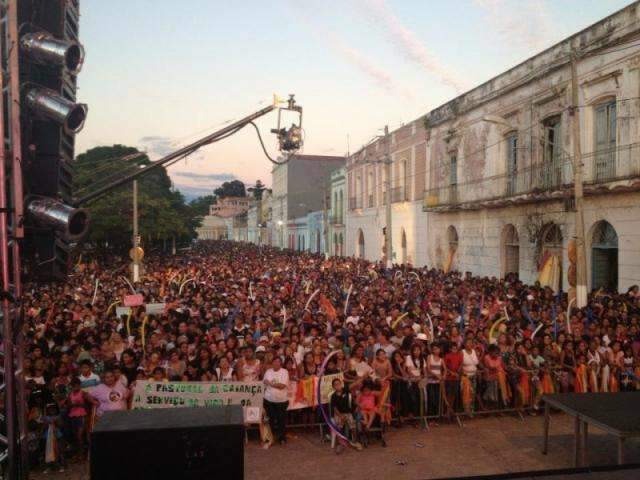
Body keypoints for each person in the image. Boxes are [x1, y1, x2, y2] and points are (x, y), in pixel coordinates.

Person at [262, 356, 289, 446]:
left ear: (280, 363)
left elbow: (282, 386)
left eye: (278, 362)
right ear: (272, 363)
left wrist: (270, 383)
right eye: (275, 361)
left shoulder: (284, 372)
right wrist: (273, 384)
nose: (276, 363)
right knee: (270, 420)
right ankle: (270, 438)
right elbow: (264, 383)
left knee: (281, 420)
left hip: (281, 400)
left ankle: (282, 438)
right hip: (268, 400)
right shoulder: (268, 372)